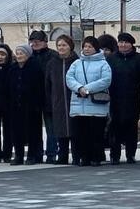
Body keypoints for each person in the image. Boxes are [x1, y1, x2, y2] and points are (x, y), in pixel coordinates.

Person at [66, 36, 112, 167]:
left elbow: (106, 80)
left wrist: (87, 89)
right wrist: (79, 88)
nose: (87, 49)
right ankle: (83, 157)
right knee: (80, 134)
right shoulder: (76, 63)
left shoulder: (103, 64)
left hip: (96, 106)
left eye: (90, 46)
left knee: (96, 134)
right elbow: (69, 78)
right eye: (85, 46)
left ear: (96, 48)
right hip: (78, 105)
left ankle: (96, 157)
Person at [107, 32, 140, 164]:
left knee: (131, 128)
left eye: (126, 42)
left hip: (133, 98)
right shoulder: (111, 59)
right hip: (115, 98)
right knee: (114, 127)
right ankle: (114, 155)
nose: (123, 45)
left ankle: (131, 154)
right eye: (121, 42)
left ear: (131, 44)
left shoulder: (139, 59)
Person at [7, 44, 46, 165]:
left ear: (28, 54)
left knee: (33, 132)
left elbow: (40, 87)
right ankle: (18, 155)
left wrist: (38, 103)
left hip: (31, 106)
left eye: (22, 53)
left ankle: (32, 155)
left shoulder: (35, 67)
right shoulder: (12, 69)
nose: (19, 56)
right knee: (16, 132)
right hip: (15, 105)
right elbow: (8, 87)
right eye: (17, 53)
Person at [45, 35, 79, 165]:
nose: (61, 48)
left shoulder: (76, 62)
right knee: (60, 129)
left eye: (64, 45)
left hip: (74, 100)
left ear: (70, 46)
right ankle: (62, 155)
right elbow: (47, 84)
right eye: (59, 45)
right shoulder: (52, 63)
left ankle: (77, 155)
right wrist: (48, 101)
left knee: (75, 129)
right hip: (57, 100)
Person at [28, 30, 61, 163]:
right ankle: (37, 153)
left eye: (38, 41)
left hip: (49, 96)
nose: (35, 43)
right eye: (33, 41)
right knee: (34, 129)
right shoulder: (28, 56)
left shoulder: (53, 56)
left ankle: (51, 154)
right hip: (33, 98)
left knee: (51, 129)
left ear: (45, 42)